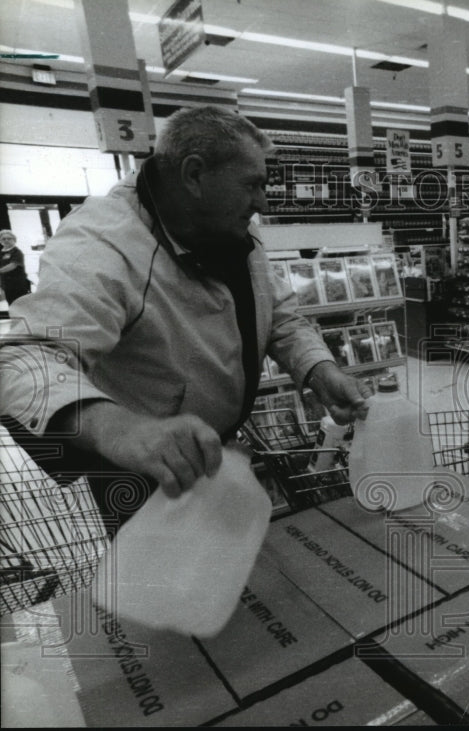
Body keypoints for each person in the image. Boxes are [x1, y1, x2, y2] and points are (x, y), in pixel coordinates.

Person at [0, 105, 371, 524]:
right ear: (194, 175)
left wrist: (318, 369)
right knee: (165, 587)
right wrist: (119, 429)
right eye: (252, 185)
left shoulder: (230, 224)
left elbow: (279, 314)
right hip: (143, 472)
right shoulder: (104, 241)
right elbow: (23, 361)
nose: (261, 201)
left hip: (217, 453)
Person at [0, 229, 32, 306]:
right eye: (3, 239)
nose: (6, 240)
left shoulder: (17, 252)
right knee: (11, 304)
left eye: (9, 238)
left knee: (21, 305)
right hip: (6, 285)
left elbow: (13, 265)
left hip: (18, 285)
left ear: (14, 240)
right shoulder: (1, 253)